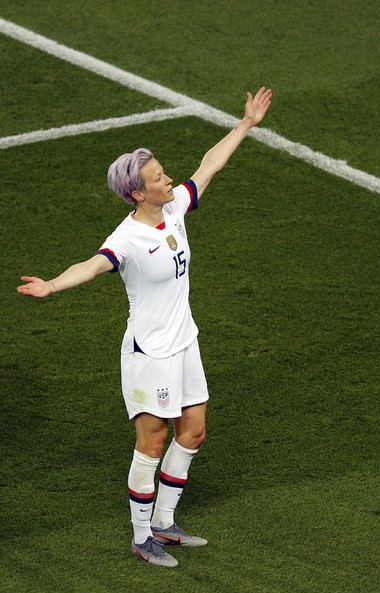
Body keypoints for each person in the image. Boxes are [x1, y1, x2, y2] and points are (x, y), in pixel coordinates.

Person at [17, 87, 273, 567]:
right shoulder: (128, 238)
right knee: (152, 442)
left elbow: (209, 166)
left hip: (184, 343)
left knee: (193, 432)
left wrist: (245, 124)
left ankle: (164, 522)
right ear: (138, 192)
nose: (168, 178)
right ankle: (141, 537)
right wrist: (52, 284)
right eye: (158, 177)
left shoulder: (174, 208)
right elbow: (92, 266)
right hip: (149, 354)